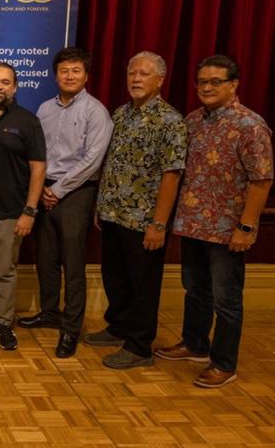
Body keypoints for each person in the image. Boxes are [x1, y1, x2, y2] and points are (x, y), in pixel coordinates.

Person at [155, 55, 273, 388]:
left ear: (233, 85)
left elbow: (262, 180)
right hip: (192, 224)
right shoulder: (192, 121)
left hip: (227, 231)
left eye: (214, 82)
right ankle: (194, 344)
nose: (206, 87)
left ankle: (224, 363)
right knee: (195, 291)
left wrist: (247, 227)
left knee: (227, 299)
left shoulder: (251, 126)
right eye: (202, 82)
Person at [89, 52, 186, 369]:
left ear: (160, 80)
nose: (136, 79)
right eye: (132, 73)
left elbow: (172, 175)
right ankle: (118, 326)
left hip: (144, 219)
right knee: (115, 277)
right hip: (113, 214)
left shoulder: (171, 122)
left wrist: (159, 224)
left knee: (143, 282)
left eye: (144, 74)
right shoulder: (120, 114)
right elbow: (110, 163)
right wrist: (100, 204)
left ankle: (140, 346)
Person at [18, 47, 112, 358]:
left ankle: (71, 329)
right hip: (44, 190)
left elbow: (93, 159)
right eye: (64, 71)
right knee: (46, 257)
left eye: (76, 71)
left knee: (72, 264)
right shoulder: (45, 108)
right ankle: (49, 312)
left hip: (76, 192)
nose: (69, 76)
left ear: (86, 76)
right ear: (55, 74)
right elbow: (37, 151)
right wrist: (42, 188)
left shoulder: (95, 111)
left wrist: (59, 189)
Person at [0, 63, 46, 352]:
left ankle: (4, 323)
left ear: (15, 87)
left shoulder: (28, 121)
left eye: (5, 82)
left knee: (5, 271)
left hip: (11, 213)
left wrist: (30, 211)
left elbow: (38, 169)